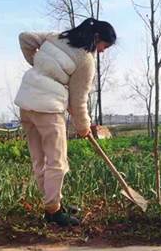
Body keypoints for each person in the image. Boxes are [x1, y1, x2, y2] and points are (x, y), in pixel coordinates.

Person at [14, 18, 116, 227]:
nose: (103, 51)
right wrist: (83, 127)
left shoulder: (55, 37)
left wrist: (39, 67)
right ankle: (54, 212)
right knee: (57, 162)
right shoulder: (86, 60)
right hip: (48, 109)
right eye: (104, 46)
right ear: (96, 38)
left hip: (26, 103)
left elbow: (25, 38)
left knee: (39, 160)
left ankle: (52, 203)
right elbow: (78, 101)